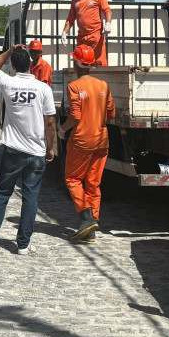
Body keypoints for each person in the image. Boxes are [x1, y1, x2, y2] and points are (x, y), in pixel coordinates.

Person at [0, 44, 57, 255]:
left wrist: (10, 50)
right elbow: (50, 122)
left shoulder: (8, 83)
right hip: (36, 151)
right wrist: (50, 148)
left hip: (13, 150)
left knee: (2, 194)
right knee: (30, 197)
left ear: (13, 65)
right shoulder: (43, 89)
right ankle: (23, 245)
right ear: (31, 65)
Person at [60, 44, 115, 242]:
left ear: (76, 62)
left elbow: (75, 117)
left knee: (73, 179)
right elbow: (111, 113)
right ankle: (91, 228)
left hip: (82, 139)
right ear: (91, 64)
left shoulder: (74, 86)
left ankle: (86, 217)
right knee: (93, 183)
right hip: (102, 140)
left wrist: (62, 129)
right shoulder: (103, 85)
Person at [62, 0, 111, 66]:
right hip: (82, 38)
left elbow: (107, 10)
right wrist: (64, 32)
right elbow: (71, 18)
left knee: (99, 64)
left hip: (95, 36)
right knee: (81, 63)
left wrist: (108, 23)